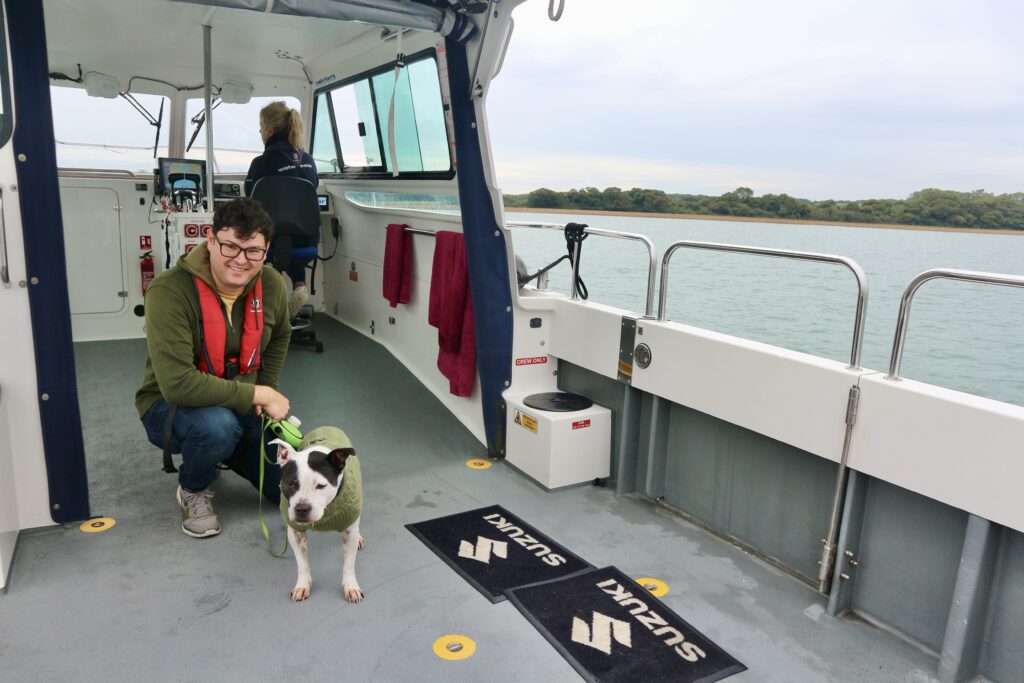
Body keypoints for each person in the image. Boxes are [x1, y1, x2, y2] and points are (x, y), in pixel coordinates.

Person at [136, 198, 292, 538]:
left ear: (265, 251)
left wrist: (266, 396)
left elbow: (280, 335)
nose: (240, 259)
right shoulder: (169, 291)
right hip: (171, 406)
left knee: (290, 489)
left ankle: (221, 451)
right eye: (230, 246)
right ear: (210, 239)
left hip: (239, 406)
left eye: (253, 251)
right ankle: (193, 487)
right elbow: (177, 384)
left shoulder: (272, 286)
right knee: (215, 428)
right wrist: (259, 392)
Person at [244, 100, 319, 319]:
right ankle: (299, 284)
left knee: (250, 241)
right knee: (291, 238)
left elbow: (251, 199)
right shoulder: (308, 160)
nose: (260, 132)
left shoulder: (261, 163)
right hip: (307, 240)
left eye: (261, 127)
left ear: (269, 129)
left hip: (268, 241)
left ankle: (265, 298)